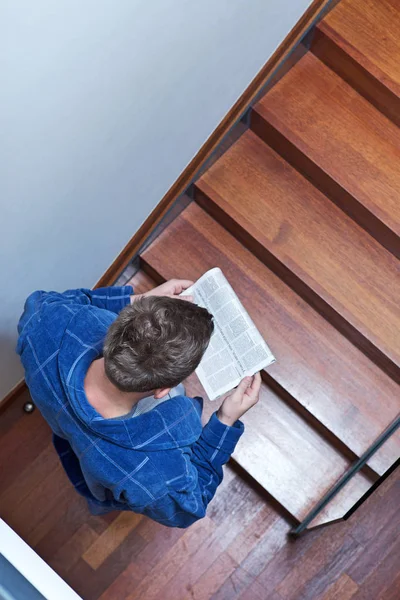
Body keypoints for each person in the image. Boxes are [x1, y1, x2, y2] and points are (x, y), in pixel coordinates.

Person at [16, 278, 261, 528]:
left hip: (68, 434)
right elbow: (189, 507)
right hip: (110, 473)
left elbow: (60, 302)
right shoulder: (153, 474)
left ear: (116, 326)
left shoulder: (45, 323)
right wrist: (225, 421)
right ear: (163, 390)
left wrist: (135, 300)